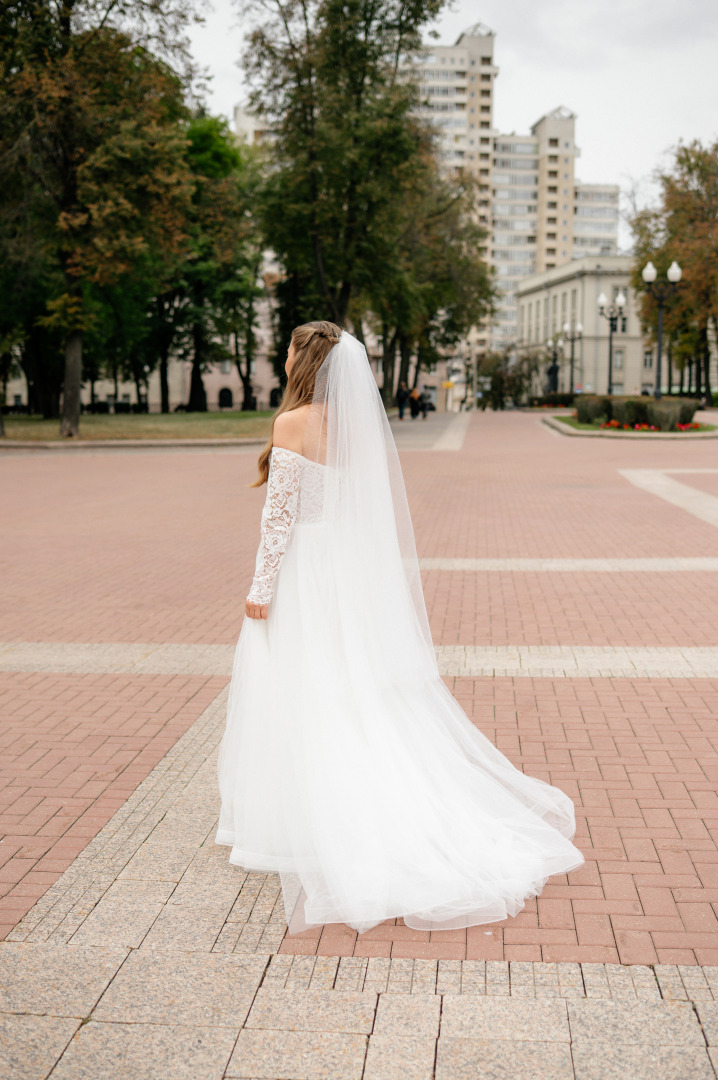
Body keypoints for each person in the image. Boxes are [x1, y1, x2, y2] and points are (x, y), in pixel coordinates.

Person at [216, 321, 584, 935]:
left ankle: (305, 820)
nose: (281, 357)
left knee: (301, 689)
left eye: (286, 350)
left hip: (306, 574)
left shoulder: (292, 423)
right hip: (343, 573)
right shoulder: (350, 427)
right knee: (348, 689)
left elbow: (277, 520)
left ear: (303, 361)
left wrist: (260, 589)